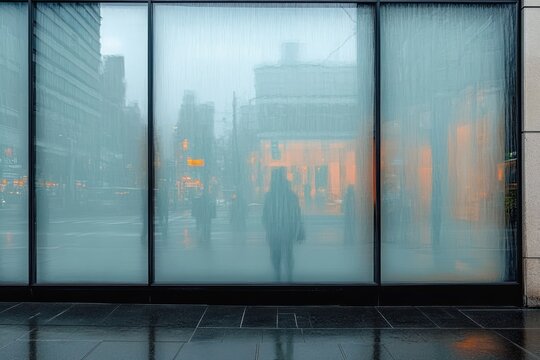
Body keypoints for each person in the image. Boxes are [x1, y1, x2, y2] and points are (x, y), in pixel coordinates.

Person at [262, 167, 304, 282]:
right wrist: (298, 229)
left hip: (275, 231)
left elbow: (265, 216)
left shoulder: (270, 196)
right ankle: (288, 277)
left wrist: (269, 227)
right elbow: (297, 214)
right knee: (288, 255)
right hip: (287, 231)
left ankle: (278, 277)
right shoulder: (290, 196)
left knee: (276, 256)